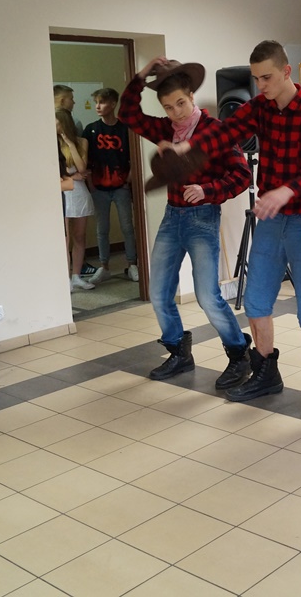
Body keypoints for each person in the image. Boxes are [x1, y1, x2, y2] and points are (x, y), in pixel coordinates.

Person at [194, 40, 301, 417]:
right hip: (271, 220)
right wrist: (188, 146)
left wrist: (287, 190)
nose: (261, 85)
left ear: (286, 71)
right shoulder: (259, 107)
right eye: (256, 78)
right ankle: (265, 373)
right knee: (256, 301)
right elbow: (226, 133)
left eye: (267, 77)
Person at [118, 58, 253, 383]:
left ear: (192, 96)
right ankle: (179, 352)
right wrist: (141, 75)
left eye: (181, 103)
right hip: (172, 218)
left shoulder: (215, 131)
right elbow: (128, 114)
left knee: (207, 297)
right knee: (159, 293)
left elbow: (242, 176)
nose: (176, 112)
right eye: (168, 107)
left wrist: (207, 190)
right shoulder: (166, 129)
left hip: (202, 219)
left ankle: (239, 355)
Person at [83, 88, 138, 284]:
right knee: (102, 229)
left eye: (102, 102)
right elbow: (86, 160)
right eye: (96, 102)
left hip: (120, 186)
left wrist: (128, 180)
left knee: (127, 227)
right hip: (99, 188)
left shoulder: (125, 129)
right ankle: (104, 266)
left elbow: (134, 157)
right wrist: (91, 184)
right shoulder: (90, 129)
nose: (98, 106)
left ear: (113, 104)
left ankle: (132, 264)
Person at [57, 109, 96, 292]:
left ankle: (76, 276)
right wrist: (73, 176)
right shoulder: (51, 143)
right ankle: (64, 279)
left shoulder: (81, 142)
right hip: (63, 191)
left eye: (57, 123)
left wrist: (69, 143)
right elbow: (58, 172)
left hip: (79, 193)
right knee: (64, 239)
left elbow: (82, 167)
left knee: (79, 236)